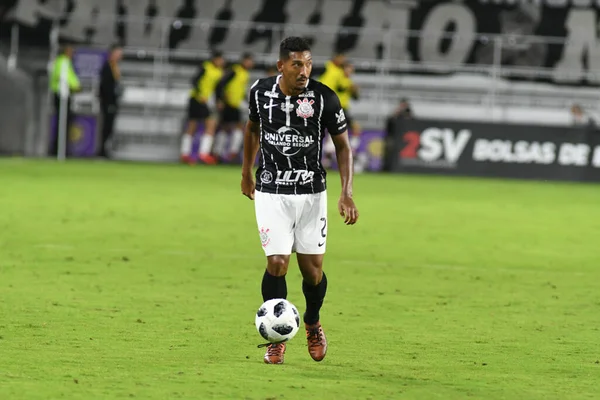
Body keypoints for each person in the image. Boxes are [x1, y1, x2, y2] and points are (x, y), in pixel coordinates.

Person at [241, 37, 359, 365]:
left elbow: (344, 147)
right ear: (281, 66)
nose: (304, 70)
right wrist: (246, 172)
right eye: (296, 64)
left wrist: (346, 192)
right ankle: (277, 337)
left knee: (313, 272)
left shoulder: (324, 98)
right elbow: (252, 129)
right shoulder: (260, 92)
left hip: (311, 194)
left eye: (308, 63)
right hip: (271, 191)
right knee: (277, 263)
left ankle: (312, 322)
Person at [180, 51, 225, 165]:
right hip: (196, 99)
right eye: (220, 60)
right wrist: (200, 94)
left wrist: (218, 100)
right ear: (215, 59)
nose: (222, 62)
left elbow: (217, 88)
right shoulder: (205, 67)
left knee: (208, 124)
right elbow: (194, 81)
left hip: (205, 101)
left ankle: (200, 153)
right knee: (194, 125)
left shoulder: (219, 72)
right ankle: (190, 154)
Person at [212, 52, 254, 162]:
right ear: (244, 60)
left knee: (234, 127)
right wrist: (219, 99)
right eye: (249, 61)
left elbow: (240, 90)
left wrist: (247, 101)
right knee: (227, 127)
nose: (250, 63)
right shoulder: (234, 71)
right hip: (228, 103)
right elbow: (220, 84)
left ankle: (227, 152)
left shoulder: (244, 73)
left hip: (236, 104)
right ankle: (222, 152)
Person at [322, 61, 361, 168]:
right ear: (344, 69)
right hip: (336, 107)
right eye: (349, 69)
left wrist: (355, 91)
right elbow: (337, 88)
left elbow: (356, 98)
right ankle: (330, 154)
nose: (350, 72)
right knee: (334, 131)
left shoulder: (348, 81)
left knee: (353, 129)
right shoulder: (338, 77)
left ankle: (333, 154)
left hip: (344, 109)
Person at [49, 44, 81, 157]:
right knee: (62, 123)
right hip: (61, 96)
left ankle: (61, 148)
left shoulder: (64, 62)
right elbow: (63, 77)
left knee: (64, 123)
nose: (72, 53)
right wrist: (75, 85)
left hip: (65, 95)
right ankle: (58, 149)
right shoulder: (62, 62)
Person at [98, 44, 123, 158]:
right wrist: (108, 102)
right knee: (106, 126)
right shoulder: (107, 67)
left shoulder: (114, 67)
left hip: (113, 102)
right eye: (118, 54)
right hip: (108, 102)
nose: (120, 56)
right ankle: (102, 150)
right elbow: (105, 86)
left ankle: (105, 149)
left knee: (110, 126)